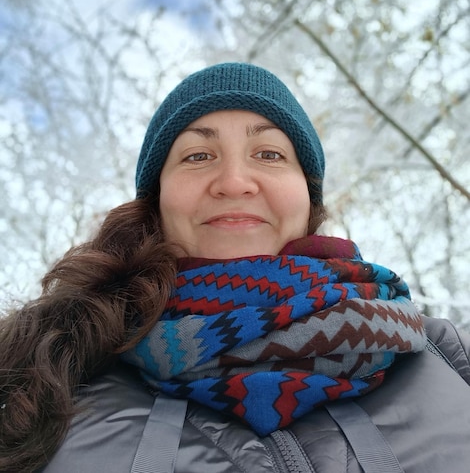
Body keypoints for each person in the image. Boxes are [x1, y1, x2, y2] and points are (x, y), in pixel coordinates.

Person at [1, 62, 469, 473]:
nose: (234, 182)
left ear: (309, 199)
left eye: (269, 154)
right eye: (197, 156)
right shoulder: (41, 372)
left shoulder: (451, 357)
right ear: (157, 202)